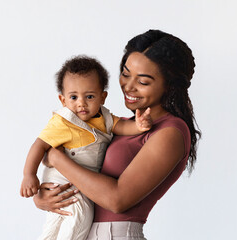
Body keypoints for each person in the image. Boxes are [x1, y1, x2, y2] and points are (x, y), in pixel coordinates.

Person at [33, 29, 201, 240]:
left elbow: (117, 200)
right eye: (125, 74)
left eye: (143, 81)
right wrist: (45, 197)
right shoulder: (123, 126)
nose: (128, 86)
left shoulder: (171, 132)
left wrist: (56, 158)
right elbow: (86, 178)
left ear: (169, 86)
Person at [20, 56, 152, 240]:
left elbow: (121, 127)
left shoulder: (104, 118)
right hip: (66, 184)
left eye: (89, 96)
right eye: (73, 97)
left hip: (81, 184)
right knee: (79, 219)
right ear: (63, 99)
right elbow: (39, 145)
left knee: (55, 226)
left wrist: (139, 126)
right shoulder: (63, 121)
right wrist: (29, 175)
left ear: (103, 97)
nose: (81, 103)